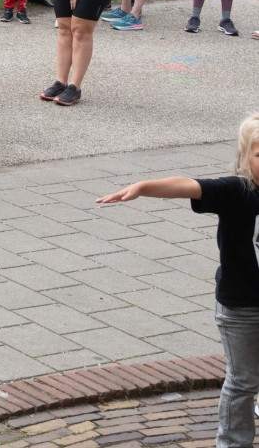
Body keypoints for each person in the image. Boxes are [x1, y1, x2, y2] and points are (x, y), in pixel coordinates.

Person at [96, 115, 259, 448]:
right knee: (243, 381)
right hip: (242, 307)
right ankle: (232, 443)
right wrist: (143, 187)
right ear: (245, 158)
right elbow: (187, 185)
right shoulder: (237, 191)